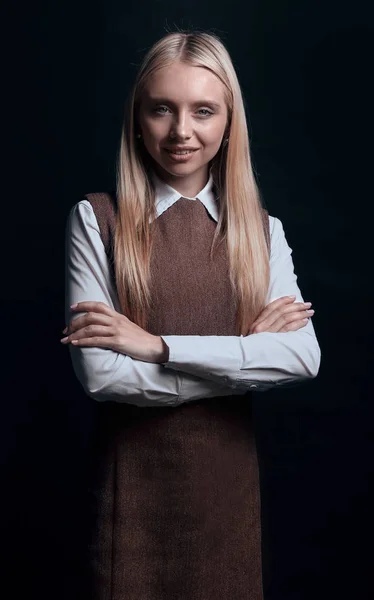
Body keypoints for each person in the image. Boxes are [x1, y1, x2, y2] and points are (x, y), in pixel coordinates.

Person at [62, 30, 321, 600]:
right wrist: (244, 361)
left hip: (228, 499)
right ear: (137, 118)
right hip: (129, 497)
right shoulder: (96, 220)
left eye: (203, 111)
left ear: (229, 124)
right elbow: (103, 376)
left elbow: (301, 358)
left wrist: (157, 347)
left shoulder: (261, 230)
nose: (182, 131)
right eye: (162, 109)